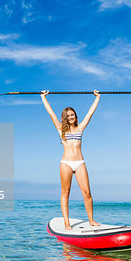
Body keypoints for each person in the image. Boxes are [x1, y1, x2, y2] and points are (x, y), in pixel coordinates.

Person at [41, 90, 101, 230]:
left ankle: (91, 220)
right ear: (65, 118)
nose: (71, 117)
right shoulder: (61, 129)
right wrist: (43, 97)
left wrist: (97, 98)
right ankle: (67, 223)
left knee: (87, 193)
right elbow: (51, 113)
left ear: (75, 116)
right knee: (65, 193)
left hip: (80, 162)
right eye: (68, 116)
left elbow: (90, 114)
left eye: (72, 114)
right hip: (66, 163)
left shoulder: (80, 128)